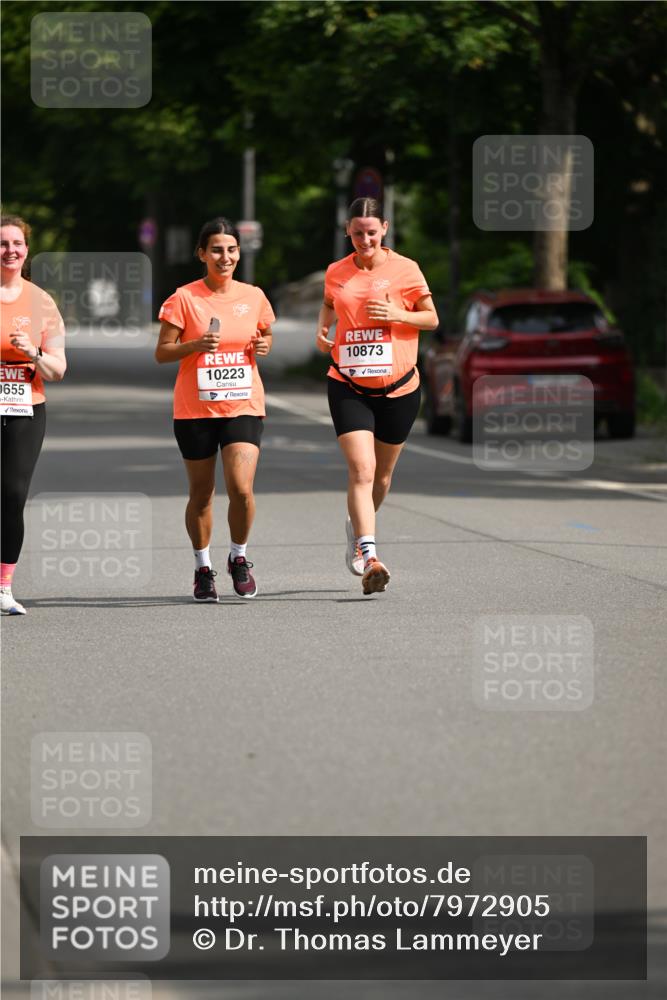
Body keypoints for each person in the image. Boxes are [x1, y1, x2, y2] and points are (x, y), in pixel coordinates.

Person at [316, 198, 438, 595]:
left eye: (371, 232)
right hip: (348, 384)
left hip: (400, 387)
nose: (364, 239)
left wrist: (398, 316)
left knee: (382, 477)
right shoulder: (337, 271)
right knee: (362, 471)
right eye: (356, 233)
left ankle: (357, 529)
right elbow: (329, 303)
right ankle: (369, 555)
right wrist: (323, 330)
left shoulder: (406, 269)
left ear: (384, 228)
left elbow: (431, 318)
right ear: (347, 232)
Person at [155, 217, 275, 602]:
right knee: (202, 494)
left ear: (239, 253)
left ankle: (238, 558)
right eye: (217, 250)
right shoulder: (184, 298)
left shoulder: (253, 295)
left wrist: (263, 346)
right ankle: (202, 568)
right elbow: (162, 352)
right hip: (195, 410)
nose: (225, 257)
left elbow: (265, 333)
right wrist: (193, 346)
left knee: (241, 489)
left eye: (232, 250)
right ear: (202, 254)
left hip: (243, 403)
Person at [0, 215, 67, 615]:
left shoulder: (41, 301)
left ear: (26, 250)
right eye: (2, 243)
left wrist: (32, 353)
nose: (10, 251)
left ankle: (3, 585)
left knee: (11, 495)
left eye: (16, 244)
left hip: (26, 408)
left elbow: (58, 369)